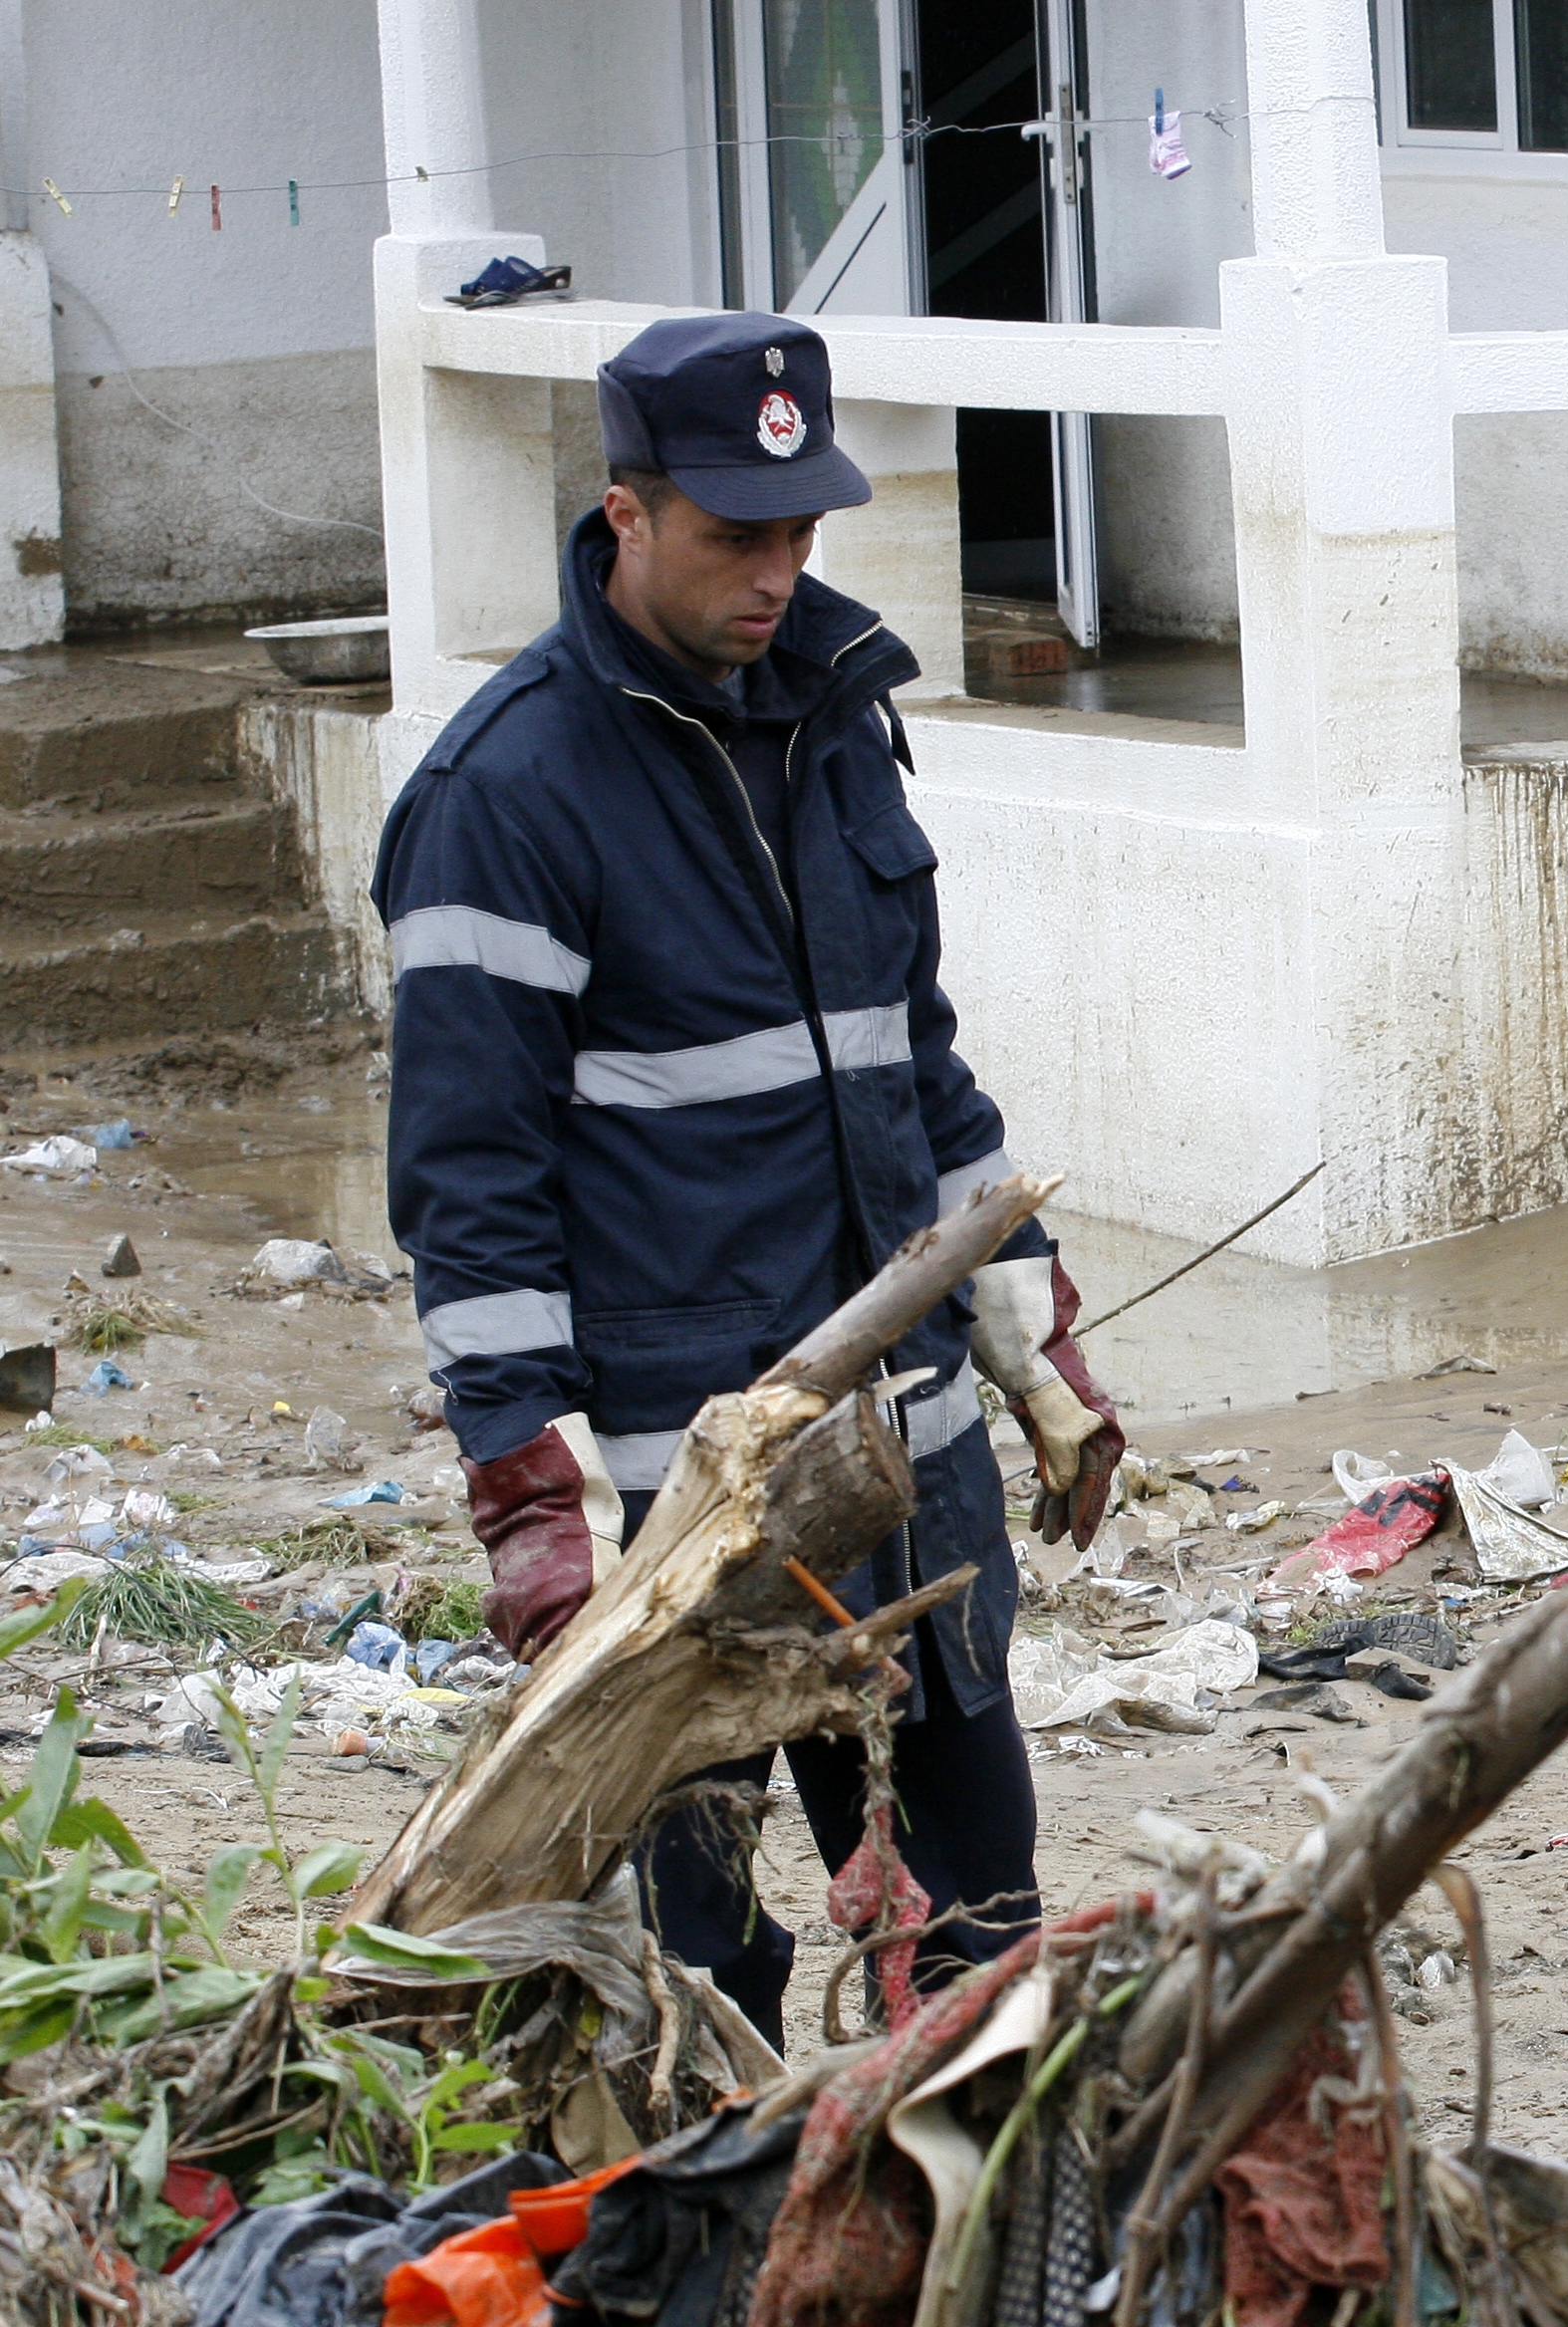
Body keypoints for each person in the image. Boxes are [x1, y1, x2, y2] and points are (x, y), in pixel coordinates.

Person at [373, 313, 1128, 2045]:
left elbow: (918, 1064)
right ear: (625, 513)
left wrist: (1032, 1340)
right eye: (734, 535)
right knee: (699, 1977)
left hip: (909, 1458)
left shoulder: (840, 718)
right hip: (681, 1499)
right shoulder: (504, 795)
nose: (778, 572)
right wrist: (530, 1502)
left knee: (979, 1934)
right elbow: (469, 1183)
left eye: (799, 531)